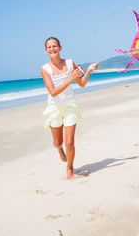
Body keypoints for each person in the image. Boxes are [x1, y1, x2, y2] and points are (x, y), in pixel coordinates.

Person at [41, 36, 98, 179]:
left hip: (70, 105)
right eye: (49, 47)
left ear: (60, 48)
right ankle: (59, 149)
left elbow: (82, 83)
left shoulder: (70, 63)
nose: (52, 48)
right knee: (57, 142)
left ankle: (69, 168)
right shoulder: (45, 69)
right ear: (46, 51)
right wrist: (70, 79)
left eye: (55, 46)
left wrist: (89, 70)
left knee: (70, 142)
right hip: (54, 106)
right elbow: (53, 91)